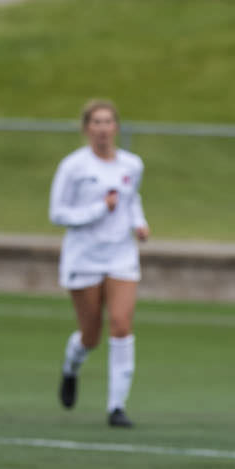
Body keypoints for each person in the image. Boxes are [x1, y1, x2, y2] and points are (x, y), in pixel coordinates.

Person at [48, 99, 148, 427]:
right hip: (84, 256)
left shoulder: (132, 165)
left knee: (121, 325)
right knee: (90, 335)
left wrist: (139, 223)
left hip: (121, 255)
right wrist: (97, 211)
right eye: (96, 123)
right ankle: (70, 368)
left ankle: (116, 407)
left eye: (108, 122)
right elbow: (57, 213)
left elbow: (132, 200)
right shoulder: (73, 167)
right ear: (86, 129)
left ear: (116, 128)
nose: (103, 129)